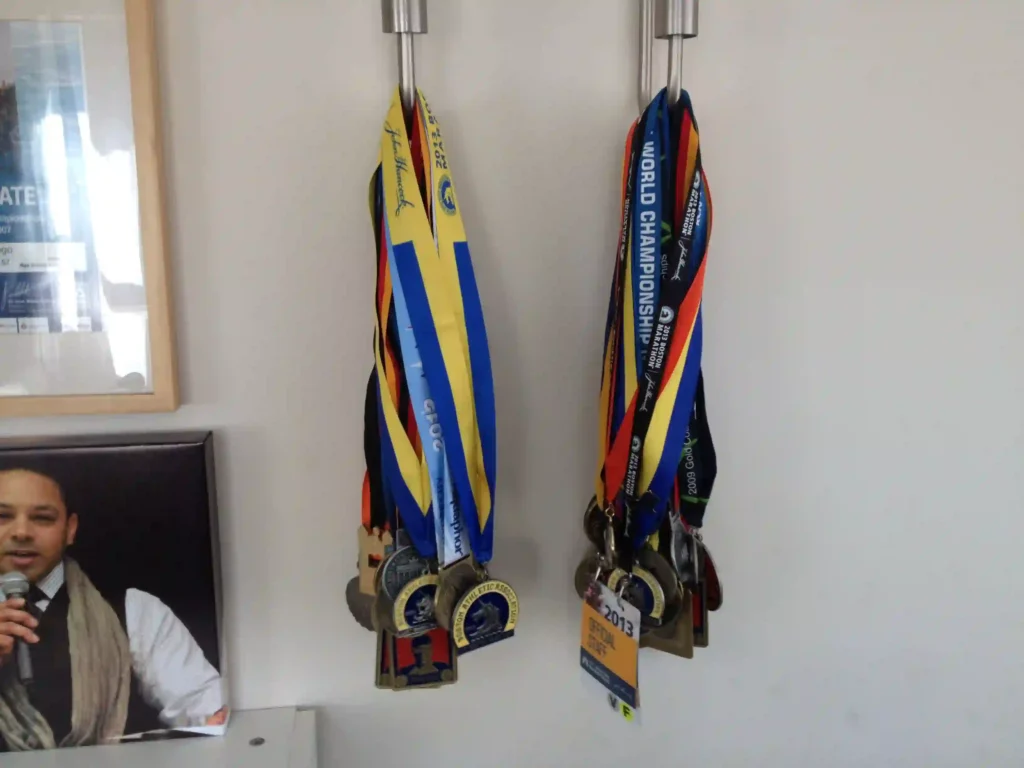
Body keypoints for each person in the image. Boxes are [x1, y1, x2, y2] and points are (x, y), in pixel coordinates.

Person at [0, 468, 226, 752]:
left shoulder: (134, 611)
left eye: (42, 518)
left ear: (70, 529)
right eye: (2, 517)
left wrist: (217, 720)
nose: (21, 532)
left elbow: (203, 706)